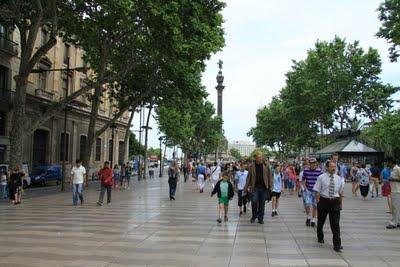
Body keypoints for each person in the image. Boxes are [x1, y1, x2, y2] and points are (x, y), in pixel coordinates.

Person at [313, 160, 345, 252]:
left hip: (334, 202)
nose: (333, 168)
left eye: (334, 166)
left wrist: (340, 204)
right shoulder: (321, 178)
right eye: (331, 166)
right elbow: (317, 191)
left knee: (335, 224)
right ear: (327, 167)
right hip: (324, 201)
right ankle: (320, 236)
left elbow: (340, 192)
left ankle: (337, 244)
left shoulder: (339, 178)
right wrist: (318, 202)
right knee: (321, 222)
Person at [244, 151, 273, 224]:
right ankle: (254, 216)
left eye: (261, 157)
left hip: (264, 188)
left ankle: (260, 218)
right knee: (254, 201)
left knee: (262, 203)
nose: (260, 159)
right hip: (255, 187)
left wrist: (271, 186)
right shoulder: (251, 167)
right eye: (258, 157)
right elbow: (248, 178)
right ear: (255, 158)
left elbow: (270, 176)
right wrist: (246, 187)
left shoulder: (266, 166)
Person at [302, 158, 322, 227]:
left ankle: (313, 220)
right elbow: (303, 180)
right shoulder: (306, 170)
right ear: (309, 164)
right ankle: (308, 217)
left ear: (316, 163)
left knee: (315, 206)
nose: (312, 165)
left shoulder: (319, 171)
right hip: (308, 190)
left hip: (316, 191)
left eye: (314, 163)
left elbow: (321, 181)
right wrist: (305, 189)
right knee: (307, 204)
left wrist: (319, 191)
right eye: (311, 163)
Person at [386, 158, 400, 229]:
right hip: (394, 190)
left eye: (388, 162)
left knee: (395, 207)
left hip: (397, 191)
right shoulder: (392, 170)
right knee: (397, 207)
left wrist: (392, 179)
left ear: (391, 162)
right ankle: (398, 221)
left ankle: (394, 223)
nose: (387, 164)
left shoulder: (397, 169)